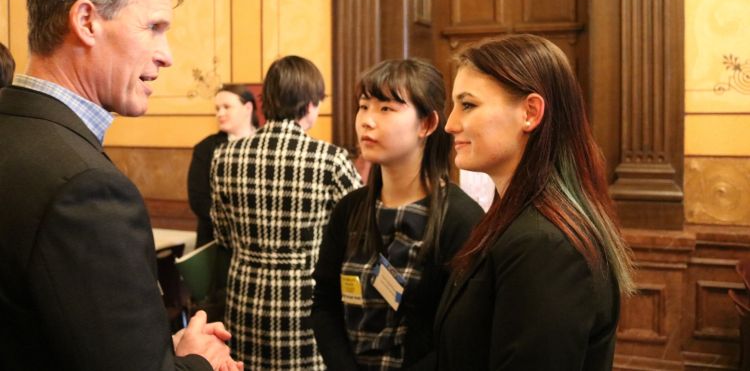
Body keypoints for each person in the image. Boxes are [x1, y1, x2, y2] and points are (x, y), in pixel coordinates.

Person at [0, 0, 242, 371]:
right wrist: (195, 359)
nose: (166, 56)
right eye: (153, 27)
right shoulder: (85, 189)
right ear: (87, 21)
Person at [434, 34, 635, 370]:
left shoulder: (544, 243)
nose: (451, 123)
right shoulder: (513, 217)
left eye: (468, 104)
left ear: (530, 112)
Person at [311, 58, 484, 370]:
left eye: (386, 109)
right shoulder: (349, 210)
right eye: (364, 106)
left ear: (427, 124)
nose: (367, 120)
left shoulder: (460, 219)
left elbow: (463, 336)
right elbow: (325, 303)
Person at [211, 55, 363, 370]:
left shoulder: (224, 157)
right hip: (306, 301)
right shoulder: (330, 159)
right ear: (309, 104)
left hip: (245, 297)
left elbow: (222, 236)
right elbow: (358, 234)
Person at [188, 84, 259, 248]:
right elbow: (198, 200)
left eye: (227, 107)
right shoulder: (205, 148)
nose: (220, 113)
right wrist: (234, 228)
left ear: (247, 108)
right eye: (217, 108)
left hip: (259, 242)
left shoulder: (268, 144)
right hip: (216, 241)